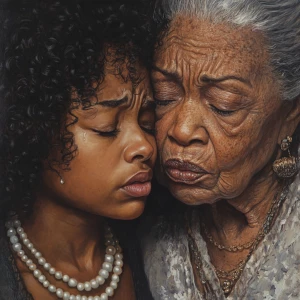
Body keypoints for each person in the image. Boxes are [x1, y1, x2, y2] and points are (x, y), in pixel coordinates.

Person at [141, 0, 300, 299]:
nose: (182, 130)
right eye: (164, 96)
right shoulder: (138, 216)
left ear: (290, 114)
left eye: (222, 104)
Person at [0, 1, 156, 299]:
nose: (145, 146)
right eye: (106, 127)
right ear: (37, 129)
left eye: (148, 122)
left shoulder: (157, 256)